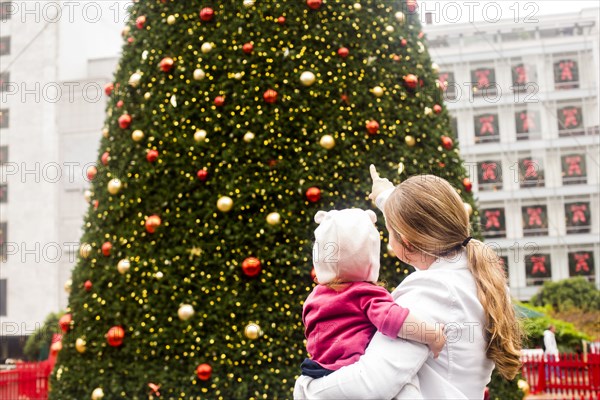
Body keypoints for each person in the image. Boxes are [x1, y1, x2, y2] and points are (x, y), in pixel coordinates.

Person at [294, 166, 523, 399]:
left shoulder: (429, 292)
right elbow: (423, 241)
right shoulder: (473, 274)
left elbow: (370, 383)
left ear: (405, 242)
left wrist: (305, 388)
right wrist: (387, 197)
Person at [301, 208, 446, 379]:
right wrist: (432, 335)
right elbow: (395, 320)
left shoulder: (315, 297)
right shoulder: (365, 293)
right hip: (352, 370)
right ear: (368, 255)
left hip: (317, 370)